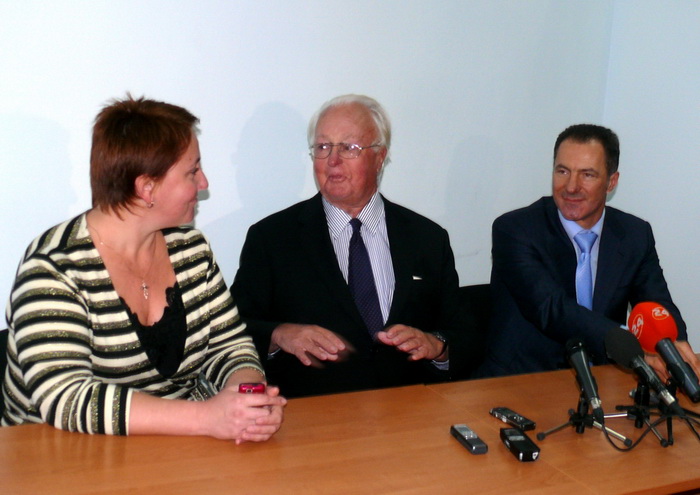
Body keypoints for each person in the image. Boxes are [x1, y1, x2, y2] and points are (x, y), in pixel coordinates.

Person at [1, 95, 286, 442]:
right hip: (58, 457)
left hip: (173, 452)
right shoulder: (54, 268)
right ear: (146, 187)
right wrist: (206, 418)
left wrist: (248, 399)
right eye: (192, 171)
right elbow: (66, 397)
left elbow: (229, 347)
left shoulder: (191, 249)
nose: (204, 183)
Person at [231, 94, 474, 397]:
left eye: (348, 147)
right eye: (323, 147)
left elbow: (463, 333)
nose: (332, 160)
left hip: (410, 410)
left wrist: (437, 345)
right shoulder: (272, 238)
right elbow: (234, 331)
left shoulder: (427, 238)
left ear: (380, 157)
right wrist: (279, 334)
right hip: (315, 413)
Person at [477, 123, 700, 380]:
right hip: (523, 379)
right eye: (563, 171)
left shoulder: (634, 234)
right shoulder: (516, 229)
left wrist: (672, 346)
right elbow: (552, 310)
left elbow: (656, 304)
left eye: (587, 175)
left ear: (611, 182)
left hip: (605, 377)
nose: (571, 187)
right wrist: (629, 344)